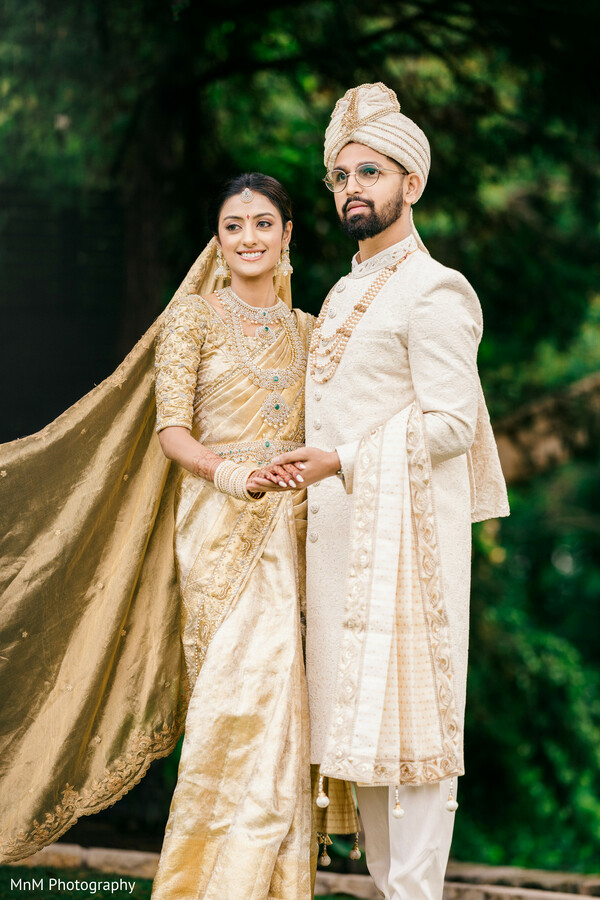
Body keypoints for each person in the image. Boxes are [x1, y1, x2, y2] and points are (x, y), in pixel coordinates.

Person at [0, 172, 331, 900]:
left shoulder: (312, 331)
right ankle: (205, 881)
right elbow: (170, 434)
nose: (248, 237)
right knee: (234, 698)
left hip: (294, 532)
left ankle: (270, 882)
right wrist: (232, 476)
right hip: (217, 526)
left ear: (287, 236)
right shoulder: (194, 321)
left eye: (262, 224)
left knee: (282, 703)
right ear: (217, 240)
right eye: (233, 225)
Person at [264, 82, 510, 900]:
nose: (350, 190)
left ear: (412, 183)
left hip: (407, 558)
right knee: (362, 751)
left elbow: (451, 424)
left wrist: (342, 460)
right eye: (338, 177)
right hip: (338, 559)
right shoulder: (338, 294)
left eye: (369, 172)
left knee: (409, 758)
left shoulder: (436, 290)